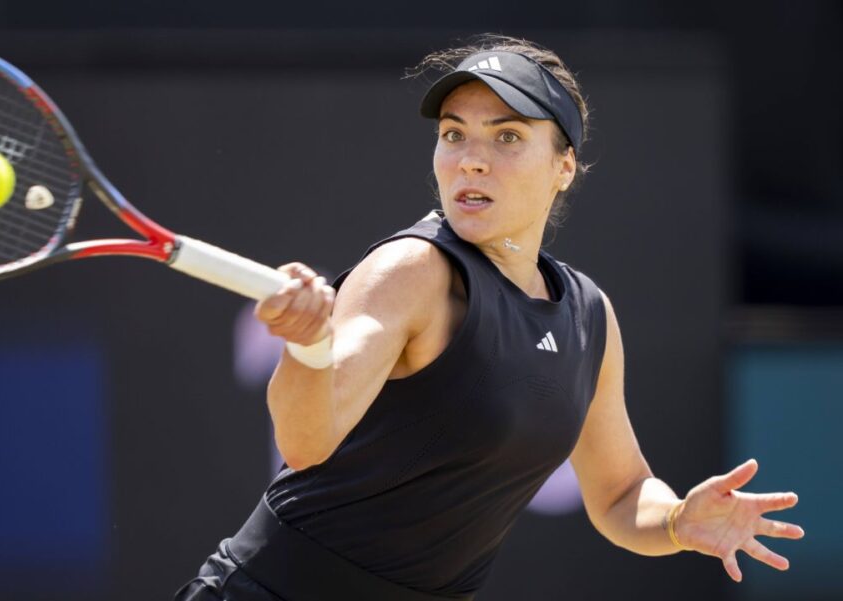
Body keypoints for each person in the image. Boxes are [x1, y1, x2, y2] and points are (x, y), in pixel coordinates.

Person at [174, 34, 804, 601]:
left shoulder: (588, 314)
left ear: (563, 167)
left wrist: (676, 521)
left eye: (507, 137)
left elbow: (620, 493)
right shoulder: (412, 269)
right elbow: (306, 442)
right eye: (454, 134)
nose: (470, 159)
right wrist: (309, 347)